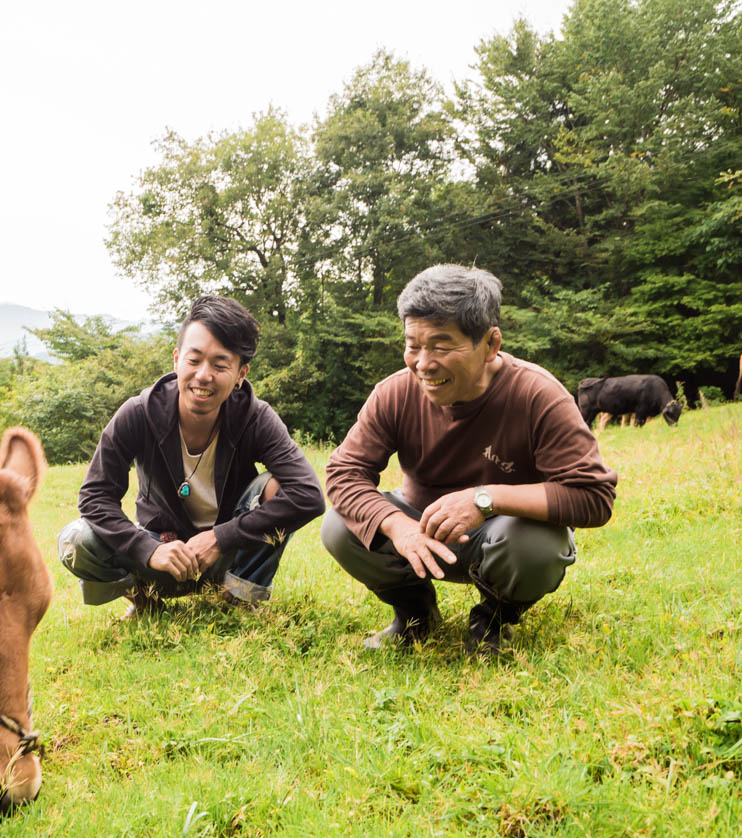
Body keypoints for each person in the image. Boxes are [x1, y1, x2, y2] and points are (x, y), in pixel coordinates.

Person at [321, 265, 617, 652]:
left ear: (491, 344)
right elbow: (344, 474)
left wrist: (485, 498)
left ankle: (494, 619)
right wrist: (397, 526)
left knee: (537, 545)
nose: (423, 363)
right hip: (421, 532)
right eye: (413, 345)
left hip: (503, 538)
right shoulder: (394, 393)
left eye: (441, 346)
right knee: (339, 526)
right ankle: (415, 616)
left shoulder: (537, 395)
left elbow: (594, 497)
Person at [58, 295, 325, 617]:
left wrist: (219, 538)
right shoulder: (139, 413)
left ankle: (239, 599)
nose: (203, 375)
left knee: (279, 486)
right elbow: (95, 496)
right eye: (194, 359)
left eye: (220, 364)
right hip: (160, 554)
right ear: (176, 359)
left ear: (241, 373)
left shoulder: (255, 417)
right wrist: (148, 548)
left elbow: (308, 496)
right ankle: (145, 603)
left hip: (228, 554)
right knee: (77, 539)